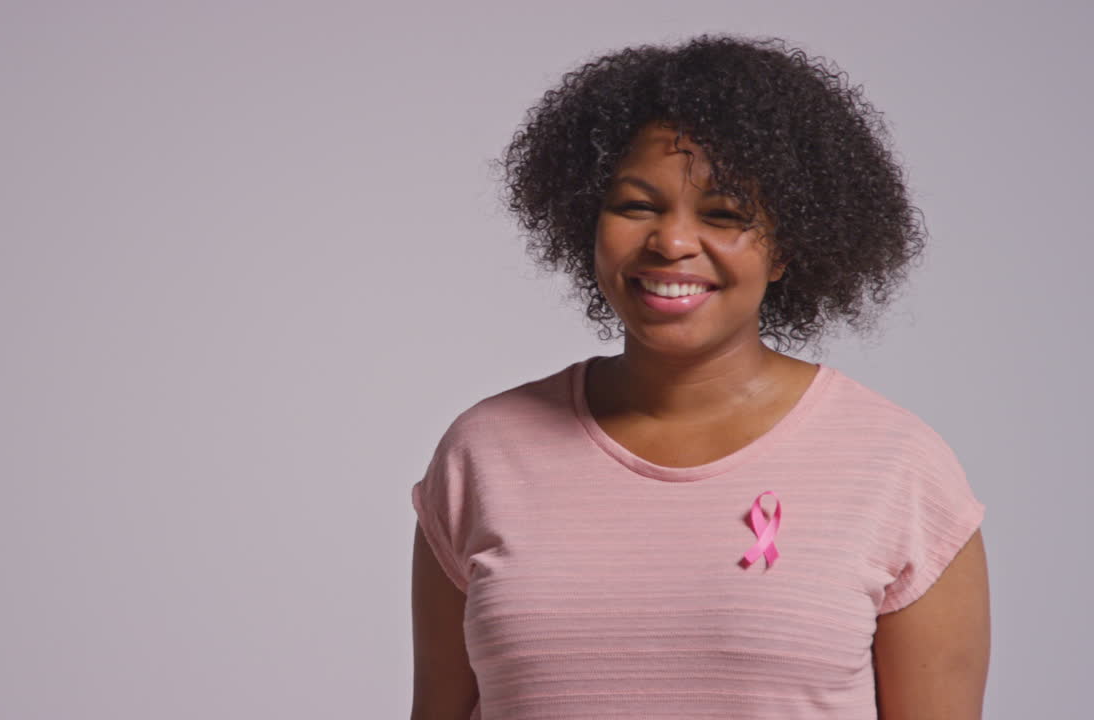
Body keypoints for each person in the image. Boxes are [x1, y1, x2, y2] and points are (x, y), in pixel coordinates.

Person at [409, 33, 989, 720]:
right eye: (636, 206)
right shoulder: (484, 453)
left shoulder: (897, 468)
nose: (672, 242)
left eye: (723, 215)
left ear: (785, 249)